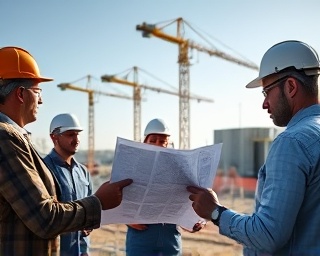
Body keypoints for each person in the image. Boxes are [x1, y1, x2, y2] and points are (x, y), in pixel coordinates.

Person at [187, 40, 320, 255]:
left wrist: (215, 212)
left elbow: (267, 235)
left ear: (291, 87)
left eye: (266, 92)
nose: (264, 103)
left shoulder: (292, 142)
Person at [0, 46, 132, 256]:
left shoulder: (15, 138)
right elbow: (45, 218)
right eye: (38, 92)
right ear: (20, 94)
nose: (41, 100)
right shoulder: (5, 137)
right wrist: (98, 203)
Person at [126, 118, 204, 256]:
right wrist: (126, 218)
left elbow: (191, 201)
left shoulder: (180, 171)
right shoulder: (131, 168)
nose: (158, 145)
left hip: (170, 239)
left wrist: (196, 221)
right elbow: (117, 200)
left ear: (168, 144)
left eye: (162, 141)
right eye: (153, 140)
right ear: (144, 142)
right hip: (141, 239)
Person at [43, 113, 93, 256]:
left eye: (78, 134)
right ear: (54, 137)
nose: (76, 140)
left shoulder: (83, 172)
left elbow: (90, 210)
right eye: (71, 134)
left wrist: (85, 250)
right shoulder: (43, 169)